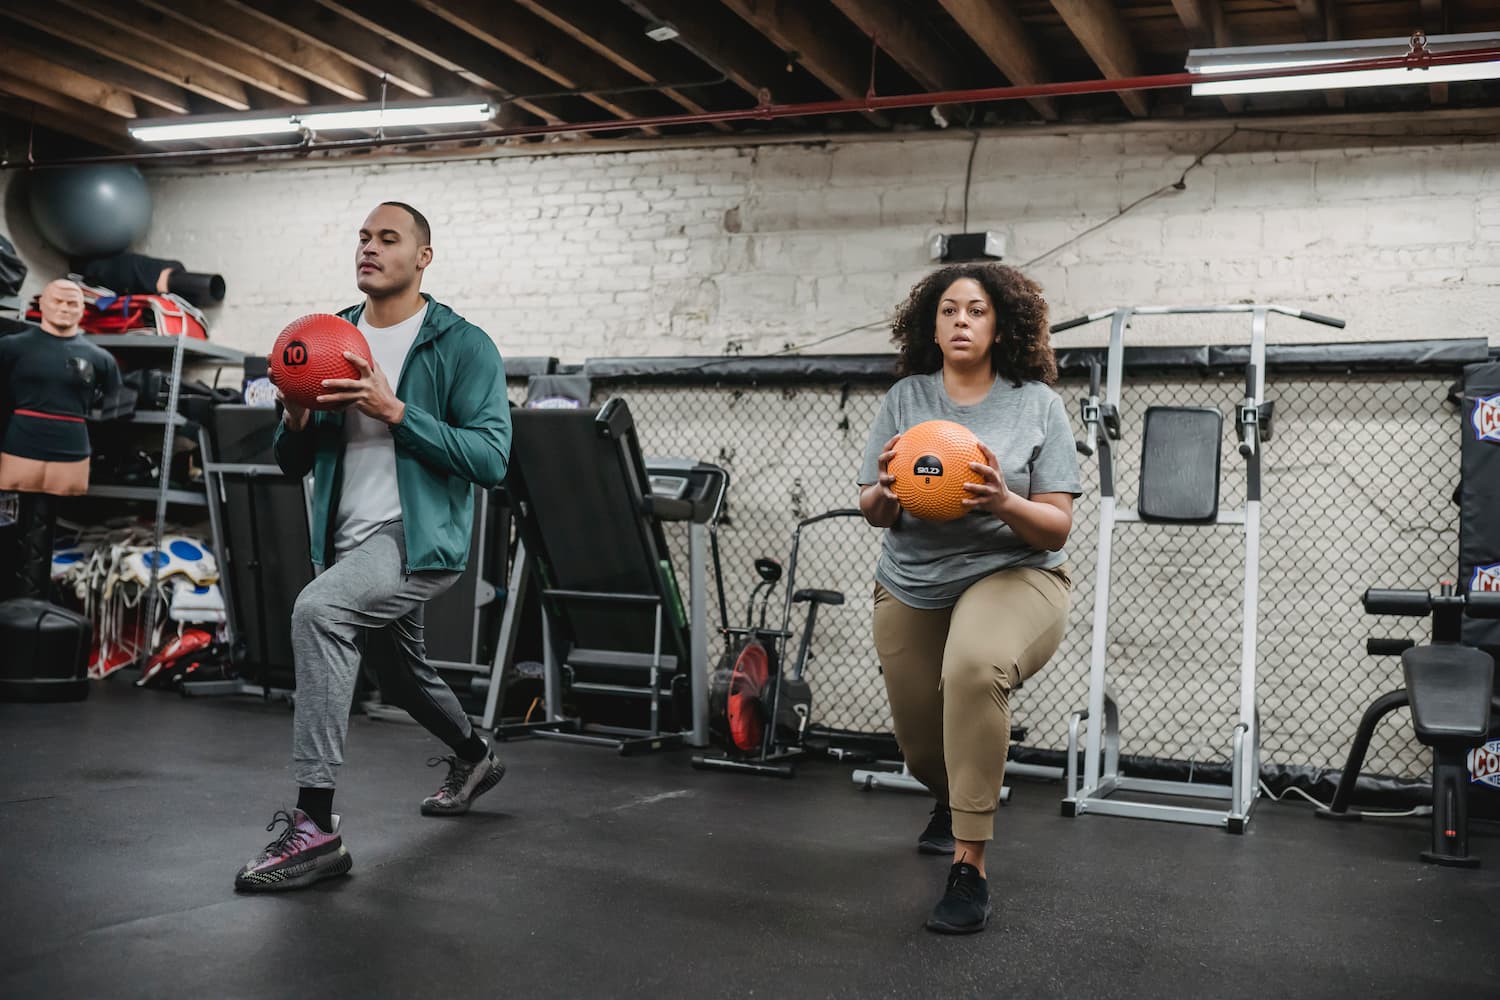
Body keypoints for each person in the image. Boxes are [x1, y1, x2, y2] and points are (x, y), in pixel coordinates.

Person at [235, 202, 512, 892]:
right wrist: (295, 418)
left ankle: (315, 828)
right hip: (346, 541)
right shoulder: (326, 337)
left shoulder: (461, 344)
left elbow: (492, 457)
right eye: (363, 237)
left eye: (389, 238)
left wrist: (397, 412)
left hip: (416, 541)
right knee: (401, 671)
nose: (370, 248)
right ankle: (474, 755)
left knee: (320, 612)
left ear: (423, 257)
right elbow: (292, 463)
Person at [857, 263, 1081, 934]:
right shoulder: (906, 399)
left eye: (975, 311)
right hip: (913, 580)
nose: (961, 320)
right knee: (924, 751)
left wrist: (1002, 500)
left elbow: (1057, 524)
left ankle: (969, 866)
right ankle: (950, 798)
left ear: (999, 324)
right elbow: (870, 506)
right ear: (932, 323)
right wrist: (887, 495)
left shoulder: (1037, 403)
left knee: (973, 668)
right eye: (949, 310)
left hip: (1014, 573)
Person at [0, 278, 120, 497]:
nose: (64, 308)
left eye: (72, 303)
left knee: (53, 516)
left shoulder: (102, 360)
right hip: (20, 445)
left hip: (73, 449)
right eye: (57, 301)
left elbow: (115, 411)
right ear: (42, 304)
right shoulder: (10, 347)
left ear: (83, 309)